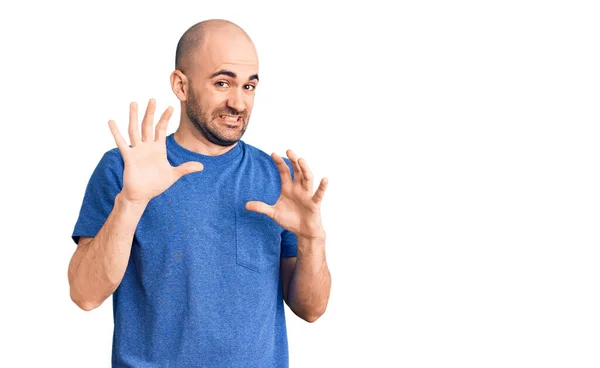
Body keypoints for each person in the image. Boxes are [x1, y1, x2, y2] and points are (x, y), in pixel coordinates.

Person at [68, 19, 331, 367]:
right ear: (181, 85)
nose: (238, 103)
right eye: (222, 83)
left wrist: (312, 239)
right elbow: (85, 295)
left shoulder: (277, 177)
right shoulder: (125, 169)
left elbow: (311, 310)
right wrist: (130, 203)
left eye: (249, 86)